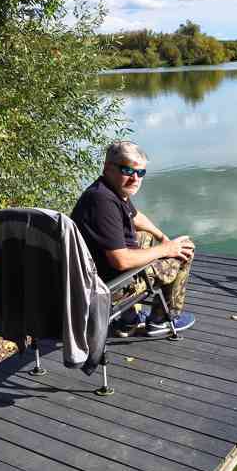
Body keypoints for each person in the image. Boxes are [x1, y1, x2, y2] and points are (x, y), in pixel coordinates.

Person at [71, 140, 196, 337]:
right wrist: (167, 249)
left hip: (96, 274)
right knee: (184, 249)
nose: (135, 179)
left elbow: (135, 217)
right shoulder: (102, 202)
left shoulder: (107, 190)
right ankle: (161, 320)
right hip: (110, 287)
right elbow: (121, 261)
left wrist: (162, 237)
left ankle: (127, 320)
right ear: (108, 168)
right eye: (128, 171)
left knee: (145, 236)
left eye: (141, 173)